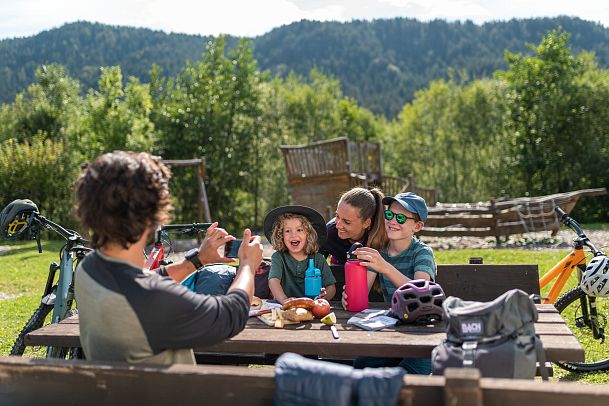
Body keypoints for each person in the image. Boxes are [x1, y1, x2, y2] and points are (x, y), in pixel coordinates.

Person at [74, 151, 263, 365]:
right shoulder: (152, 299)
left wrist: (196, 261)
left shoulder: (88, 269)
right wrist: (247, 265)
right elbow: (231, 315)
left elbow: (143, 281)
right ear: (151, 217)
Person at [343, 192, 436, 374]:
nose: (393, 221)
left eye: (401, 217)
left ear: (417, 226)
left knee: (406, 377)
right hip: (392, 331)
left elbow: (421, 293)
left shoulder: (422, 253)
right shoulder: (381, 253)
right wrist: (351, 296)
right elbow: (363, 290)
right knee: (362, 364)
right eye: (389, 215)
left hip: (421, 336)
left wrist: (385, 268)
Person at [263, 205, 337, 305]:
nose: (293, 235)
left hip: (313, 307)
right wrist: (284, 300)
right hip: (287, 308)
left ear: (308, 234)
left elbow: (331, 286)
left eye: (299, 230)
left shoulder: (318, 259)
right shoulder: (279, 257)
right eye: (287, 231)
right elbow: (273, 281)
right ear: (281, 236)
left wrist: (325, 296)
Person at [320, 187, 388, 265]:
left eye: (347, 222)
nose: (338, 225)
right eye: (337, 216)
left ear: (366, 223)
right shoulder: (329, 233)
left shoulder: (384, 237)